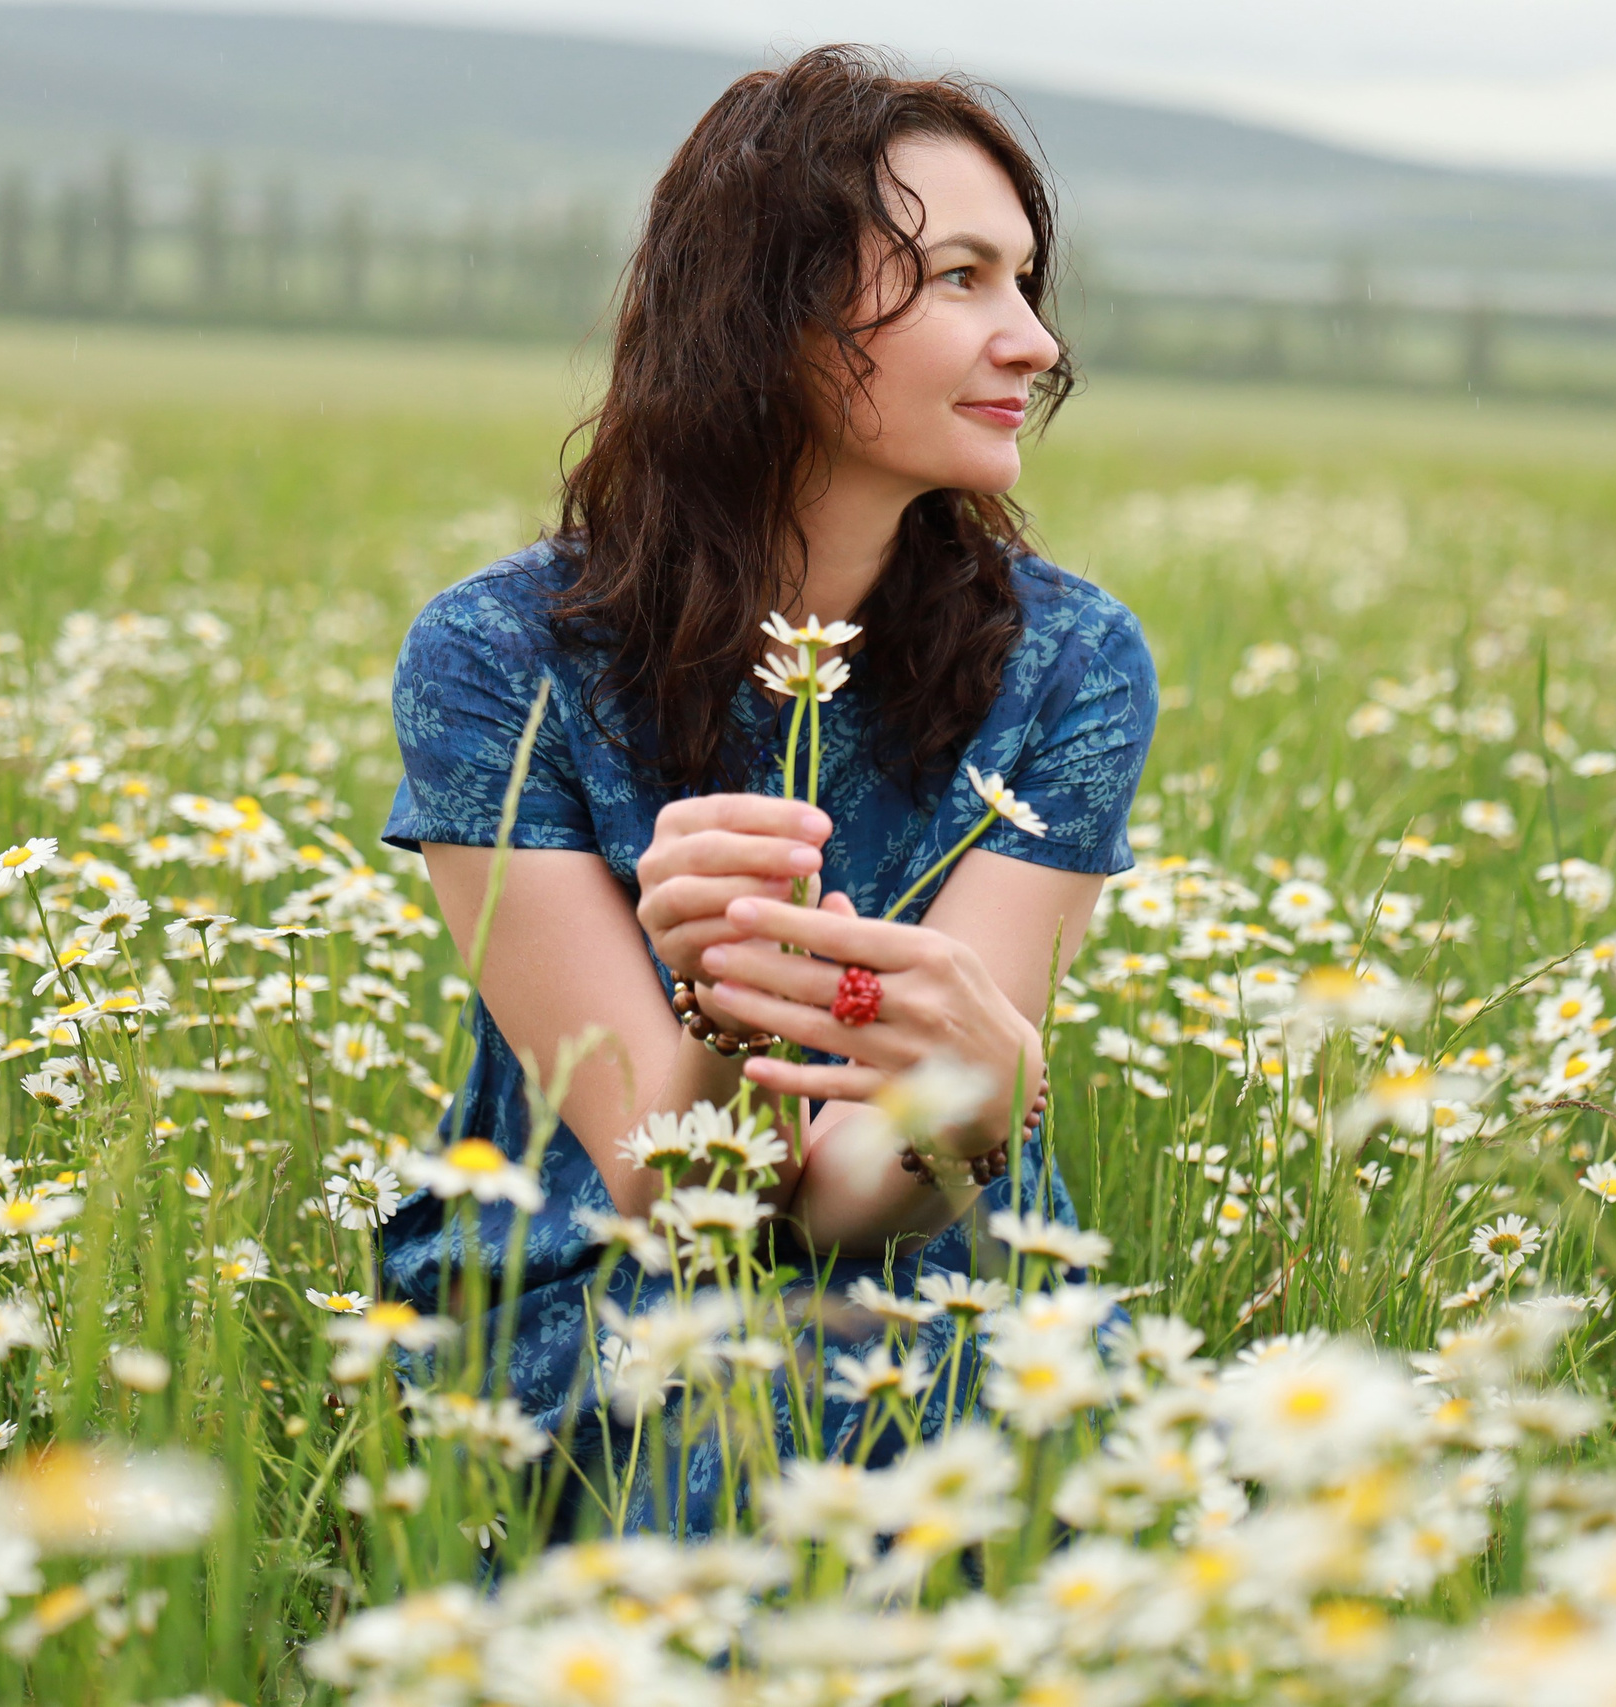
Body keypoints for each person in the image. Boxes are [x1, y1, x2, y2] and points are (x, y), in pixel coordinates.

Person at [377, 45, 1158, 1533]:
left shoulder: (1073, 665)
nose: (1036, 342)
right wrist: (721, 1007)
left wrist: (971, 1119)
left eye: (1030, 282)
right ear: (771, 313)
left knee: (1084, 1514)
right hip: (597, 1273)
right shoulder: (497, 663)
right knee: (751, 1443)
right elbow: (670, 1202)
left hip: (942, 1261)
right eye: (962, 280)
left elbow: (867, 1186)